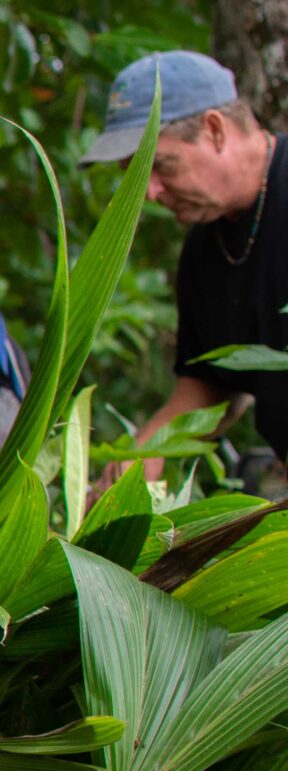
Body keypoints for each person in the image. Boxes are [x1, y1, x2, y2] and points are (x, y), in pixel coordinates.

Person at [84, 52, 284, 477]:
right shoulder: (203, 250)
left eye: (159, 166)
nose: (151, 192)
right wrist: (134, 467)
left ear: (214, 130)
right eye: (136, 174)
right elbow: (212, 385)